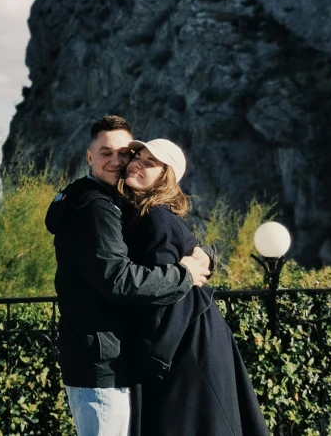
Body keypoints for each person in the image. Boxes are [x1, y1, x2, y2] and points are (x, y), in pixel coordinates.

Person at [45, 116, 212, 436]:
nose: (118, 160)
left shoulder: (106, 202)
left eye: (124, 153)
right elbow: (119, 280)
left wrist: (206, 259)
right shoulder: (96, 208)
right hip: (101, 361)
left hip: (108, 359)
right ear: (89, 157)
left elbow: (163, 245)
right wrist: (185, 275)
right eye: (105, 153)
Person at [118, 138, 270, 436]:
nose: (137, 163)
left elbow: (168, 294)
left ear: (166, 177)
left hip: (187, 345)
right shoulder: (151, 215)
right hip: (193, 338)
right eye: (138, 156)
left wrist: (152, 357)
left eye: (150, 163)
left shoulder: (154, 219)